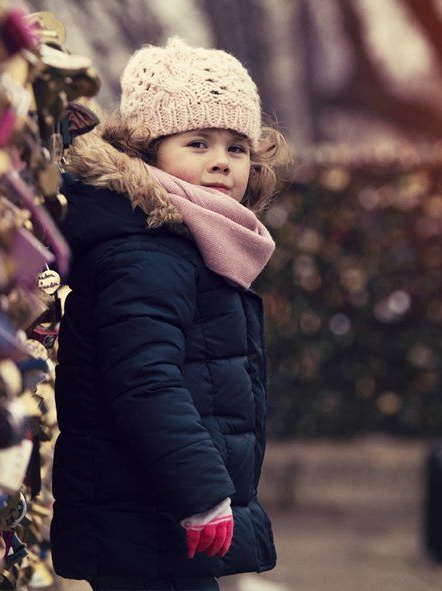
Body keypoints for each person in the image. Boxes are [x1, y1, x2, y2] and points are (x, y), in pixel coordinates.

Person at [50, 37, 292, 591]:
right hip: (144, 512)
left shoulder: (187, 243)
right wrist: (203, 492)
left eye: (236, 148)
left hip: (155, 514)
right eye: (198, 142)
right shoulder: (144, 251)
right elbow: (144, 382)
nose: (220, 162)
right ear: (146, 150)